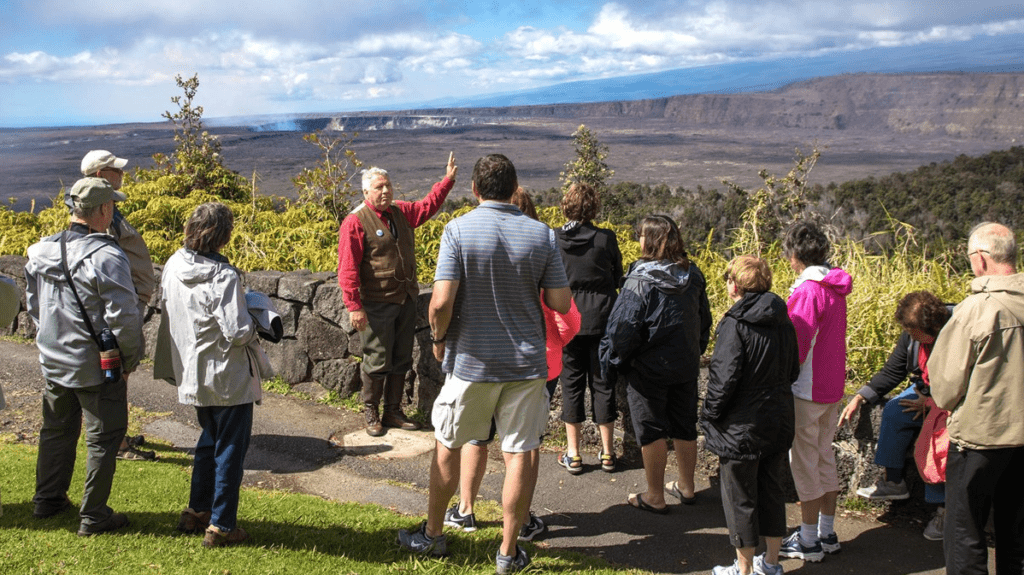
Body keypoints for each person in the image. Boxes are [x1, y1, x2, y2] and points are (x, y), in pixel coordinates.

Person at [397, 154, 571, 575]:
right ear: (515, 189)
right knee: (520, 453)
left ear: (474, 190)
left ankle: (434, 534)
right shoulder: (543, 235)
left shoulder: (457, 230)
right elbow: (561, 302)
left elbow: (440, 302)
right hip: (526, 366)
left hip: (471, 362)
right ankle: (509, 553)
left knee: (448, 443)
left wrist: (438, 340)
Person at [443, 188, 581, 543]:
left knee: (476, 436)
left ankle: (466, 508)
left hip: (482, 361)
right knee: (523, 446)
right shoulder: (541, 251)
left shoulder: (472, 242)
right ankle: (521, 521)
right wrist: (552, 343)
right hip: (537, 365)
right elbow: (569, 317)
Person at [25, 177, 143, 536]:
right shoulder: (107, 256)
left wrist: (48, 340)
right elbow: (124, 318)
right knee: (104, 436)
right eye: (113, 206)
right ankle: (94, 516)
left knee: (55, 431)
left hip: (53, 358)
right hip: (94, 365)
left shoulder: (40, 250)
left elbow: (33, 306)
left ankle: (47, 500)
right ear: (104, 210)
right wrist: (129, 362)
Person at [160, 202, 269, 548]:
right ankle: (222, 525)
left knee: (208, 441)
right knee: (230, 450)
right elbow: (237, 332)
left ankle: (197, 509)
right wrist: (258, 322)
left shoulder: (174, 264)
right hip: (226, 374)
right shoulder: (223, 276)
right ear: (224, 236)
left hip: (192, 370)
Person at [338, 153, 457, 436]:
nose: (385, 191)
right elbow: (348, 267)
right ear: (366, 191)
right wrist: (354, 306)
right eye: (379, 187)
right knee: (377, 359)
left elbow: (426, 208)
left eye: (388, 185)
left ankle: (393, 411)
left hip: (405, 299)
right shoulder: (355, 222)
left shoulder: (400, 211)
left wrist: (447, 181)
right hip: (376, 303)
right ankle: (372, 413)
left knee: (401, 357)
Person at [928, 222, 1024, 575]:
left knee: (965, 530)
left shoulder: (976, 309)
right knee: (1017, 533)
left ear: (981, 259)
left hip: (982, 437)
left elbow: (945, 385)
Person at [600, 215, 712, 513]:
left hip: (648, 368)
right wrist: (696, 350)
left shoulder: (640, 279)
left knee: (651, 430)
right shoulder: (693, 275)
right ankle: (686, 486)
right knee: (684, 424)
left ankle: (654, 495)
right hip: (685, 364)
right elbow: (704, 318)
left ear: (648, 241)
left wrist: (614, 360)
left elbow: (623, 327)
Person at [703, 256, 799, 575]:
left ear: (736, 284)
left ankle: (743, 569)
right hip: (779, 418)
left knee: (740, 497)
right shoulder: (783, 319)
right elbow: (793, 370)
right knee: (772, 490)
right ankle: (771, 563)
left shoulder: (735, 324)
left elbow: (723, 378)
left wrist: (710, 415)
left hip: (741, 425)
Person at [839, 291, 952, 541]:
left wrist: (933, 398)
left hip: (952, 396)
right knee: (894, 410)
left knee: (934, 441)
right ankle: (894, 481)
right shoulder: (913, 337)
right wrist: (861, 396)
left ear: (931, 326)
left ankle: (944, 510)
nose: (910, 337)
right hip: (925, 387)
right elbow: (894, 369)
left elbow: (962, 375)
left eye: (913, 332)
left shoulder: (956, 332)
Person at [778, 220, 852, 562]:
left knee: (805, 463)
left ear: (794, 256)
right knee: (825, 456)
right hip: (833, 384)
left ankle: (808, 541)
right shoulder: (835, 286)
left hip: (807, 387)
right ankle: (826, 531)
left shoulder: (808, 291)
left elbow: (798, 342)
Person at [76, 150, 157, 461]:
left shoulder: (110, 209)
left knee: (120, 376)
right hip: (121, 302)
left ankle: (117, 434)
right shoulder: (99, 217)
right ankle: (117, 443)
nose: (122, 174)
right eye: (114, 170)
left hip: (130, 298)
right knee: (116, 376)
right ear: (99, 176)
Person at [554, 182, 623, 474]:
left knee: (571, 383)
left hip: (568, 319)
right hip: (603, 319)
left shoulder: (554, 238)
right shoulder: (605, 238)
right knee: (602, 383)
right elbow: (618, 276)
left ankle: (574, 453)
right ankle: (607, 453)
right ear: (593, 208)